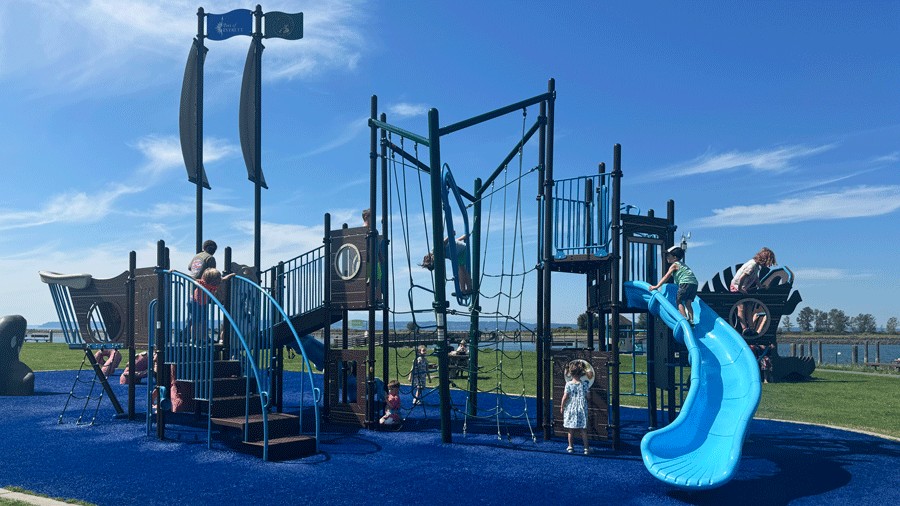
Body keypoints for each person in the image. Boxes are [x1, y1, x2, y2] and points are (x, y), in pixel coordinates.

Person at [730, 247, 777, 335]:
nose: (768, 265)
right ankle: (744, 328)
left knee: (749, 307)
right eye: (768, 262)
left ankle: (751, 328)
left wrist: (760, 286)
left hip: (743, 288)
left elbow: (755, 277)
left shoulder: (756, 266)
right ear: (764, 259)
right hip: (736, 287)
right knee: (741, 308)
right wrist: (740, 288)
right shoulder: (752, 265)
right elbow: (742, 277)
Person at [649, 246, 699, 326]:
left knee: (679, 301)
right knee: (688, 303)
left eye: (668, 255)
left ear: (675, 257)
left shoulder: (674, 265)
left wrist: (656, 286)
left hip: (685, 283)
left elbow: (666, 277)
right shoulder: (683, 265)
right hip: (694, 284)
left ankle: (684, 319)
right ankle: (691, 321)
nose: (666, 257)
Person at [190, 268, 235, 342]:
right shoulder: (202, 283)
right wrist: (174, 271)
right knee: (196, 322)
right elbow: (191, 278)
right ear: (210, 279)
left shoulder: (217, 283)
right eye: (217, 278)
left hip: (203, 304)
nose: (219, 280)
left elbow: (224, 279)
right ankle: (193, 338)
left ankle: (204, 337)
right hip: (195, 302)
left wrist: (231, 275)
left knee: (204, 321)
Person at [560, 360, 593, 455]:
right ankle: (586, 448)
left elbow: (565, 397)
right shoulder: (585, 384)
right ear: (582, 373)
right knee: (583, 429)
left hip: (571, 407)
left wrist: (562, 406)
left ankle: (570, 446)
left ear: (571, 373)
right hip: (581, 408)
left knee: (570, 429)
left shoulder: (569, 384)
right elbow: (588, 397)